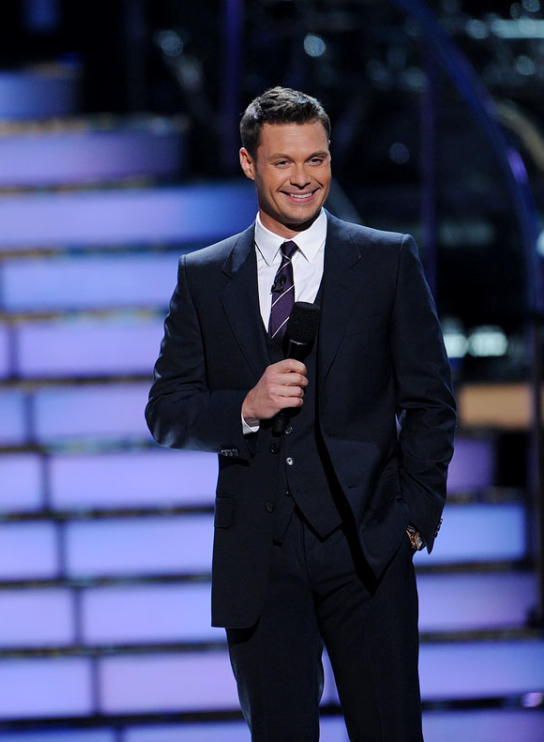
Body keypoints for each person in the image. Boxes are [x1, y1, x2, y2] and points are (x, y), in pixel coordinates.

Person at [145, 87, 456, 740]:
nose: (303, 178)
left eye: (316, 160)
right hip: (260, 559)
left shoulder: (385, 261)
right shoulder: (205, 276)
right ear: (248, 164)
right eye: (284, 162)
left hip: (368, 550)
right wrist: (246, 408)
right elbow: (167, 410)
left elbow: (429, 400)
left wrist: (413, 518)